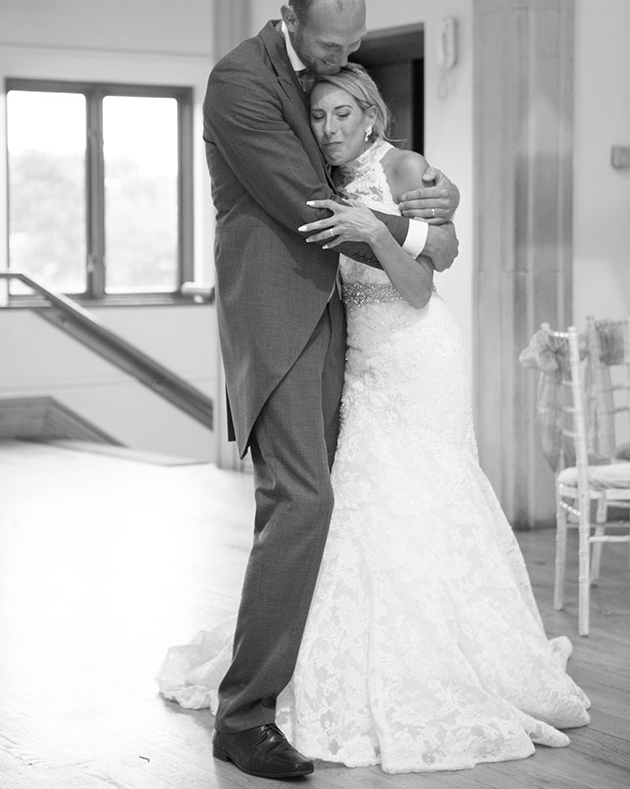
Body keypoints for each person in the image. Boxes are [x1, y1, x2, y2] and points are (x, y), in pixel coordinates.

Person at [158, 63, 590, 773]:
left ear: (370, 116)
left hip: (417, 354)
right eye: (319, 117)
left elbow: (426, 278)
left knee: (427, 492)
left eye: (340, 116)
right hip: (359, 361)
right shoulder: (318, 178)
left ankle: (442, 654)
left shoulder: (405, 165)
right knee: (363, 502)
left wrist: (376, 227)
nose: (328, 129)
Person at [198, 0, 460, 779]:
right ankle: (243, 717)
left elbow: (361, 162)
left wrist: (436, 197)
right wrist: (416, 227)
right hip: (276, 317)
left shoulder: (317, 71)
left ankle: (294, 681)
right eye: (326, 44)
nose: (337, 59)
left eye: (353, 46)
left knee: (318, 501)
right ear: (288, 18)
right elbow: (312, 206)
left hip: (339, 317)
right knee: (302, 497)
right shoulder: (240, 81)